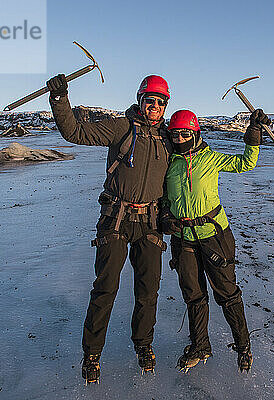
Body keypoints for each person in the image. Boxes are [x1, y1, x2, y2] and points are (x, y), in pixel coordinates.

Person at [46, 74, 173, 383]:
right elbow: (74, 131)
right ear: (140, 100)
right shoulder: (120, 128)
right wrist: (60, 99)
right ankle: (92, 354)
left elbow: (199, 158)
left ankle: (143, 346)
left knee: (148, 292)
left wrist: (252, 133)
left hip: (150, 224)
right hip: (115, 219)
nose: (154, 106)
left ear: (165, 106)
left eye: (160, 102)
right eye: (149, 100)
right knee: (105, 289)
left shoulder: (170, 138)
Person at [159, 108, 270, 373]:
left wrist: (254, 132)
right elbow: (164, 198)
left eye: (185, 133)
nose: (179, 139)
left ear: (195, 133)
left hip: (214, 237)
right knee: (194, 296)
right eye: (174, 135)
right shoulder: (169, 163)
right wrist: (165, 216)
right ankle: (200, 346)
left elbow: (246, 163)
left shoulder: (212, 159)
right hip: (182, 238)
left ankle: (243, 346)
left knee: (227, 294)